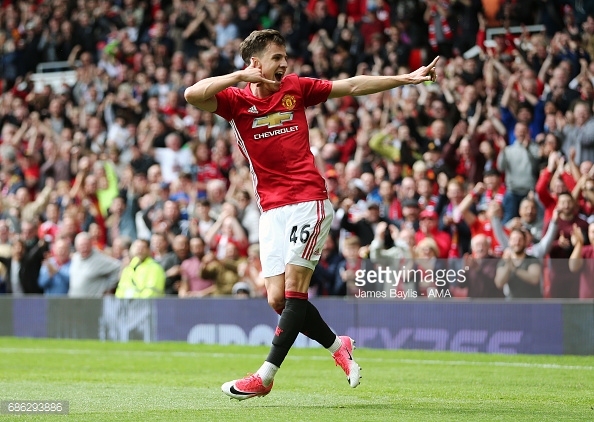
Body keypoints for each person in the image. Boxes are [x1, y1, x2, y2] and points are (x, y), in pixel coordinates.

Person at [185, 29, 438, 400]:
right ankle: (340, 347)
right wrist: (239, 77)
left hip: (308, 200)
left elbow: (351, 85)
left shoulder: (296, 87)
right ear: (255, 64)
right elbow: (192, 94)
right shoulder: (234, 100)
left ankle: (265, 376)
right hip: (270, 210)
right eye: (276, 57)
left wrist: (405, 78)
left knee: (295, 290)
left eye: (285, 56)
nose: (285, 63)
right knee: (278, 301)